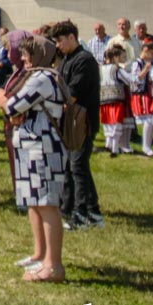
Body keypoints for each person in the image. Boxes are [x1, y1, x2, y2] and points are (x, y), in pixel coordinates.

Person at [0, 34, 69, 282]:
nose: (24, 59)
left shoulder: (43, 78)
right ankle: (44, 257)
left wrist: (0, 96)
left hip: (44, 147)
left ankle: (53, 266)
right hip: (33, 145)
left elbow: (11, 106)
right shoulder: (40, 76)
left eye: (28, 54)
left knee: (46, 204)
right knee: (36, 202)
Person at [48, 20, 103, 229]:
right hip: (69, 122)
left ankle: (82, 213)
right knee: (73, 166)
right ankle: (87, 210)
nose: (58, 46)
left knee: (77, 166)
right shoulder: (66, 60)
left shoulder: (85, 60)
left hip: (83, 121)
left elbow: (71, 94)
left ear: (72, 37)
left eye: (60, 41)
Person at [98, 43, 133, 156]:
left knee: (107, 121)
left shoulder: (101, 69)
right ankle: (114, 148)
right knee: (116, 121)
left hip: (103, 99)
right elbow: (127, 80)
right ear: (115, 57)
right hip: (116, 98)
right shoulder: (116, 69)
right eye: (120, 57)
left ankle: (108, 145)